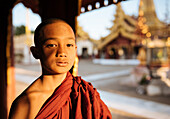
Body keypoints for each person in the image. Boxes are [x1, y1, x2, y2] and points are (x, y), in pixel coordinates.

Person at [9, 19, 112, 119]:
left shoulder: (86, 94)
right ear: (36, 52)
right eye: (52, 45)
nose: (62, 52)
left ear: (75, 49)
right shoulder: (27, 102)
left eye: (69, 45)